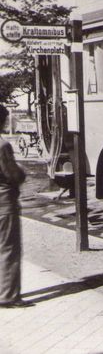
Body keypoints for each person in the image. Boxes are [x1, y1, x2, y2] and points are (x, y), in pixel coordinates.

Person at [0, 105, 31, 308]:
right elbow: (13, 175)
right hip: (3, 203)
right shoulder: (2, 146)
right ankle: (8, 296)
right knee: (8, 248)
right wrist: (22, 171)